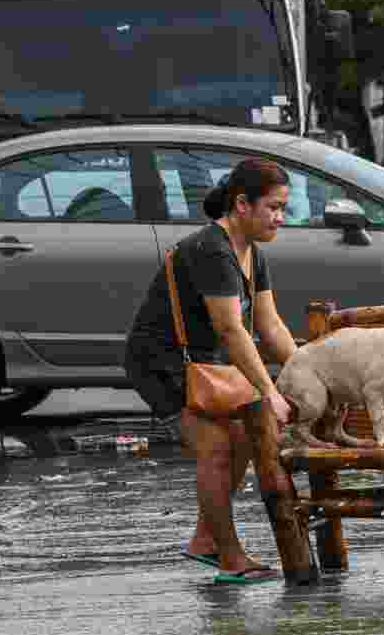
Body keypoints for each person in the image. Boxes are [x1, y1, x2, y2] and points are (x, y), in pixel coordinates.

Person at [125, 158, 297, 584]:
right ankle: (229, 556)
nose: (280, 218)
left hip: (207, 364)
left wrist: (305, 372)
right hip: (163, 363)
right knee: (217, 447)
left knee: (242, 440)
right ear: (242, 205)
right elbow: (230, 329)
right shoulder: (213, 250)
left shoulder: (251, 252)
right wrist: (269, 392)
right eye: (273, 208)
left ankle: (206, 539)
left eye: (283, 209)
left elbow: (269, 325)